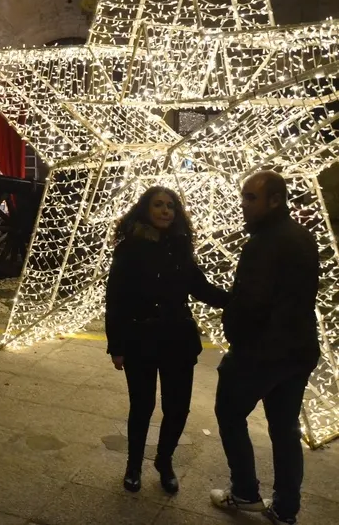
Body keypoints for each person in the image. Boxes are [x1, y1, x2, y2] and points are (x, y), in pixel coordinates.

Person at [210, 171, 320, 525]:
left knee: (230, 414)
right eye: (243, 196)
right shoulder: (301, 236)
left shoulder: (264, 243)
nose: (243, 204)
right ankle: (286, 509)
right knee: (285, 429)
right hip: (298, 351)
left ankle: (245, 491)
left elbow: (252, 304)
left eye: (251, 197)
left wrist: (235, 337)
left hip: (261, 353)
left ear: (275, 200)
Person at [105, 186, 228, 495]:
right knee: (142, 406)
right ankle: (134, 465)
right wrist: (116, 346)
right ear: (146, 209)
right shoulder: (130, 248)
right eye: (158, 205)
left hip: (177, 339)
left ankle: (164, 460)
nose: (165, 211)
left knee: (177, 407)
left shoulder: (180, 246)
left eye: (170, 206)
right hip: (140, 339)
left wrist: (236, 299)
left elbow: (200, 287)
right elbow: (115, 299)